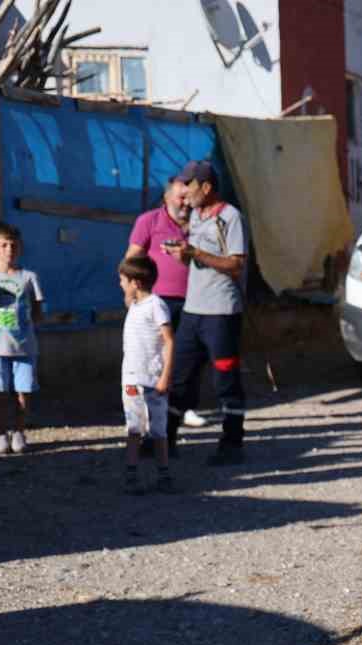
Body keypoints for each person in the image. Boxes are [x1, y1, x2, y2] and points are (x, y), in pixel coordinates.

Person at [163, 160, 247, 464]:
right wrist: (182, 255)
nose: (185, 192)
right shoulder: (197, 217)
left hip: (221, 312)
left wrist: (195, 253)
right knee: (179, 378)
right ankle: (165, 440)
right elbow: (200, 262)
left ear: (207, 188)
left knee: (225, 379)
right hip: (193, 310)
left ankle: (232, 444)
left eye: (191, 185)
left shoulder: (230, 217)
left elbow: (236, 264)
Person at [126, 178, 205, 429]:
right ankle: (148, 409)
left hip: (196, 300)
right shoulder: (149, 221)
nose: (186, 202)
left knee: (191, 357)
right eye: (181, 197)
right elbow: (132, 259)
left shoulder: (201, 224)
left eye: (189, 197)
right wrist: (130, 293)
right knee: (154, 357)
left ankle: (186, 406)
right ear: (167, 197)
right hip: (157, 303)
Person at [0, 222, 44, 455]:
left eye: (13, 244)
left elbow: (37, 308)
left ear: (20, 248)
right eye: (3, 244)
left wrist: (24, 330)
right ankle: (0, 434)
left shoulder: (29, 277)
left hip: (24, 348)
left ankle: (19, 432)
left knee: (22, 392)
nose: (9, 249)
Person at [116, 255, 176, 494]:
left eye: (123, 280)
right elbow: (127, 299)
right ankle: (132, 474)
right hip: (131, 380)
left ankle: (164, 474)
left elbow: (169, 341)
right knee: (133, 428)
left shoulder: (157, 305)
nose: (120, 284)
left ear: (136, 283)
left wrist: (165, 377)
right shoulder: (135, 306)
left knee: (158, 431)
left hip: (153, 381)